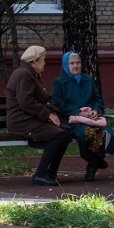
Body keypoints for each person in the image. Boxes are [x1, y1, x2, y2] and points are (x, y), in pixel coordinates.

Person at [6, 45, 72, 186]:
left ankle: (51, 174)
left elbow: (41, 100)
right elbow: (26, 102)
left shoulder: (30, 74)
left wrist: (52, 112)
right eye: (43, 60)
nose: (45, 63)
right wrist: (47, 115)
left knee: (66, 133)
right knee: (59, 135)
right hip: (22, 121)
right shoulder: (23, 74)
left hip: (31, 119)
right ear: (35, 61)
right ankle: (41, 175)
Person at [52, 52, 114, 182]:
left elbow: (98, 100)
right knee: (85, 134)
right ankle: (95, 162)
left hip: (92, 119)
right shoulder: (59, 82)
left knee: (109, 134)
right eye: (72, 63)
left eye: (78, 62)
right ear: (66, 65)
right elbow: (58, 104)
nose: (76, 66)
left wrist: (96, 111)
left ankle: (94, 163)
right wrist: (77, 112)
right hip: (72, 120)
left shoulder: (88, 79)